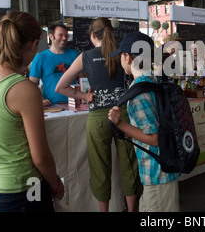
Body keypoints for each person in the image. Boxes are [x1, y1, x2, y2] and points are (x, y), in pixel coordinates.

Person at [0, 11, 64, 212]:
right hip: (23, 189)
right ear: (34, 44)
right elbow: (40, 156)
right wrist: (55, 183)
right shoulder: (24, 89)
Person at [55, 18, 142, 212]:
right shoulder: (122, 54)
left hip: (97, 119)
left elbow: (60, 87)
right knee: (129, 166)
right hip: (123, 114)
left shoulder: (85, 57)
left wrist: (84, 95)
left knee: (99, 169)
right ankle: (131, 209)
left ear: (92, 35)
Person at [108, 31, 181, 212]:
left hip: (157, 174)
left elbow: (154, 138)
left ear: (127, 57)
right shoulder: (153, 81)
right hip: (163, 171)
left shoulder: (138, 95)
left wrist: (121, 125)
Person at [29, 24, 79, 106]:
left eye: (66, 36)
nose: (64, 38)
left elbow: (82, 79)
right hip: (50, 106)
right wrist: (41, 100)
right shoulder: (40, 58)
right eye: (60, 35)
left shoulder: (74, 55)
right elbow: (31, 84)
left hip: (74, 104)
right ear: (51, 36)